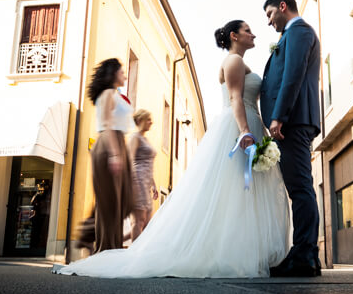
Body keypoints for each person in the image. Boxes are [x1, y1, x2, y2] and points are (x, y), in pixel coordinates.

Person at [53, 20, 289, 277]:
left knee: (243, 193)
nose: (253, 33)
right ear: (234, 36)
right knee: (235, 190)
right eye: (247, 30)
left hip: (249, 124)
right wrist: (244, 131)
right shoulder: (232, 61)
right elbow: (234, 98)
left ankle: (245, 249)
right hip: (237, 128)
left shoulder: (241, 63)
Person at [260, 0, 322, 277]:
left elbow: (293, 75)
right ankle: (305, 253)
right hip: (293, 121)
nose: (270, 21)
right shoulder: (291, 35)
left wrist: (278, 117)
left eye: (271, 13)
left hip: (293, 121)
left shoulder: (299, 32)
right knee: (298, 186)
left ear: (283, 6)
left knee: (300, 187)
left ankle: (305, 254)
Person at [77, 58, 135, 254]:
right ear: (113, 74)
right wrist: (114, 155)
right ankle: (106, 250)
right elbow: (108, 125)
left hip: (119, 144)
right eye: (122, 72)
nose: (125, 75)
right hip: (110, 146)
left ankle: (96, 239)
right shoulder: (108, 94)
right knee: (111, 204)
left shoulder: (115, 95)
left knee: (123, 202)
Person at [128, 109, 158, 240]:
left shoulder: (145, 139)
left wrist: (154, 185)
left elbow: (148, 164)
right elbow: (129, 159)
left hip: (146, 183)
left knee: (147, 223)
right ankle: (134, 256)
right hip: (137, 181)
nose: (151, 122)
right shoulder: (135, 137)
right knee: (139, 221)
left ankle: (135, 250)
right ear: (140, 121)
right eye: (148, 119)